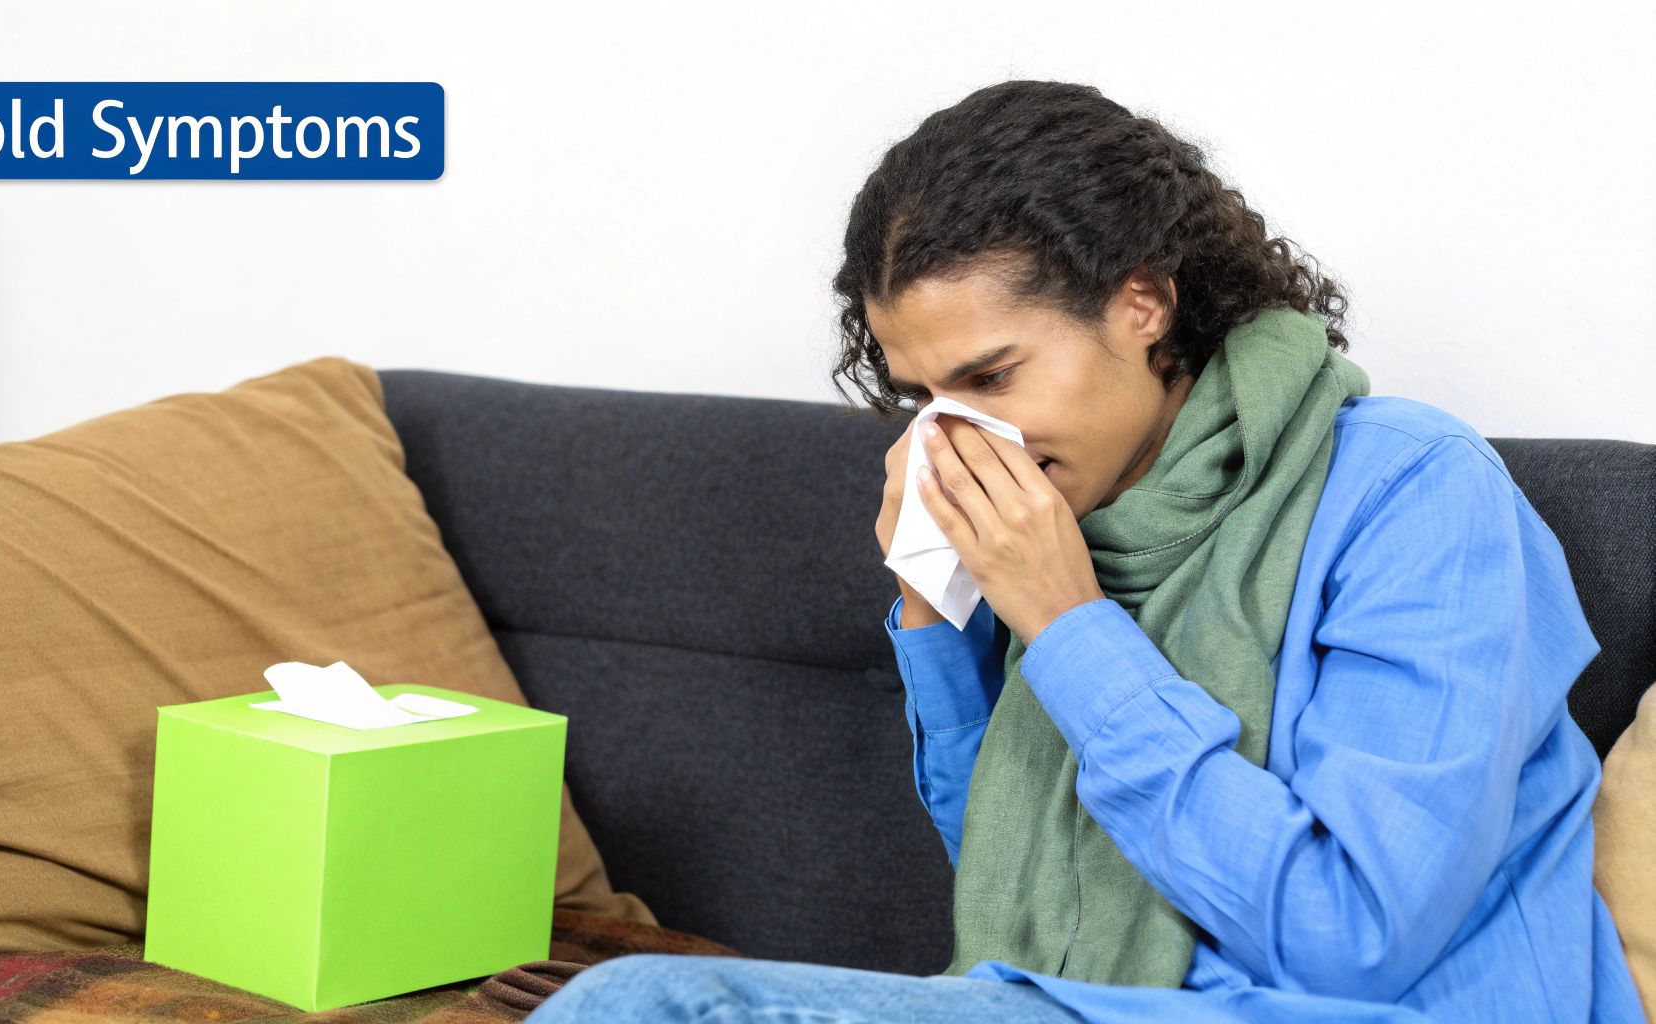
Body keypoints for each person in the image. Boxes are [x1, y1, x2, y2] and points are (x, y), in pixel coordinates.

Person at [525, 80, 1642, 1022]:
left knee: (645, 1007)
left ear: (1142, 303)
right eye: (923, 397)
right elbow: (1021, 873)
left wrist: (1068, 626)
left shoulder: (1411, 492)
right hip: (1099, 1002)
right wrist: (932, 606)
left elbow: (1349, 936)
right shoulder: (1083, 514)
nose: (961, 437)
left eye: (990, 376)